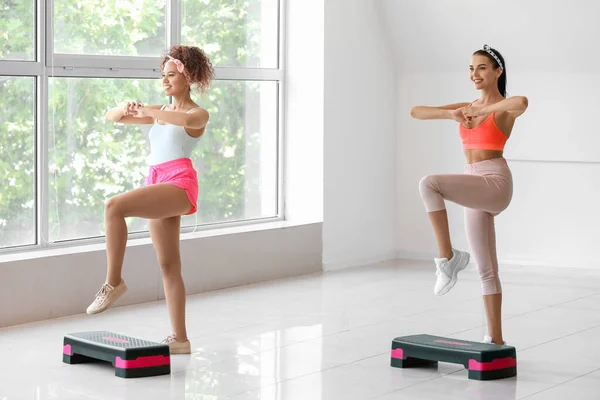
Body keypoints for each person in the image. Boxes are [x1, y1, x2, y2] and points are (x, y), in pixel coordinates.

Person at [86, 44, 215, 354]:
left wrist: (148, 111)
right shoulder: (160, 113)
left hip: (179, 183)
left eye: (171, 75)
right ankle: (180, 340)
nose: (165, 81)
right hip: (157, 180)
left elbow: (184, 122)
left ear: (189, 78)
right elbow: (111, 117)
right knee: (169, 265)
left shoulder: (197, 113)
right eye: (162, 76)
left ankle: (113, 282)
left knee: (114, 205)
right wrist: (127, 107)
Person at [410, 45, 528, 345]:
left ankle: (448, 257)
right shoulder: (467, 106)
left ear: (497, 71)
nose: (475, 74)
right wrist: (452, 114)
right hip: (473, 183)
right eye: (471, 69)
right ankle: (496, 339)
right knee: (486, 270)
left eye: (482, 68)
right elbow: (416, 112)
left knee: (429, 184)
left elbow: (522, 101)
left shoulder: (502, 109)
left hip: (495, 181)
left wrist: (484, 109)